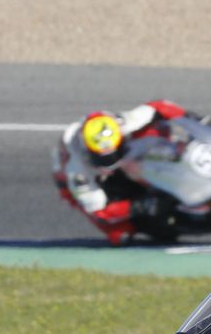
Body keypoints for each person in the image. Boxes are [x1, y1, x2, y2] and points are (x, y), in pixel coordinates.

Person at [54, 100, 191, 244]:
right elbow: (99, 212)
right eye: (101, 157)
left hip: (124, 156)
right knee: (119, 235)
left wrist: (190, 118)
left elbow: (159, 106)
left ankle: (175, 161)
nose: (109, 161)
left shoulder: (120, 124)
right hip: (75, 179)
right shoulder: (76, 170)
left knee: (156, 129)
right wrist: (138, 206)